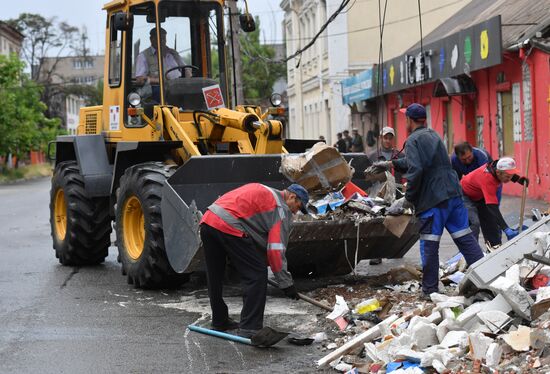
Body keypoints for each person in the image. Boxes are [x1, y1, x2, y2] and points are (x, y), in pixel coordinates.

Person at [371, 103, 484, 297]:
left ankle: (430, 289)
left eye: (405, 117)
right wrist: (390, 164)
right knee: (465, 239)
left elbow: (416, 170)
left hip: (434, 200)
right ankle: (486, 279)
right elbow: (416, 162)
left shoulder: (413, 139)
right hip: (453, 195)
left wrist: (408, 199)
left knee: (430, 244)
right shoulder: (433, 135)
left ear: (409, 120)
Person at [199, 183, 309, 337]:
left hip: (208, 220)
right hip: (228, 225)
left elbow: (255, 235)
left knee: (214, 275)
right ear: (292, 196)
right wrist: (286, 283)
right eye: (298, 206)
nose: (296, 211)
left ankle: (219, 320)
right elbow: (276, 251)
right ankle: (250, 327)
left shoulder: (265, 191)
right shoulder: (281, 209)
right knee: (257, 274)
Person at [461, 157, 529, 247]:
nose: (509, 179)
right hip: (464, 195)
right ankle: (472, 252)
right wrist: (506, 229)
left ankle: (494, 248)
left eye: (511, 176)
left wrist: (518, 179)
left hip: (479, 194)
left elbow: (506, 172)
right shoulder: (487, 179)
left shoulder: (496, 168)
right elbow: (492, 207)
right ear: (498, 173)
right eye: (508, 177)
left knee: (492, 222)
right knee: (474, 223)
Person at [367, 126, 404, 265]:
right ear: (380, 138)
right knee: (378, 223)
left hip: (396, 192)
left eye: (390, 138)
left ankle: (396, 250)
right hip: (378, 193)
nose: (387, 141)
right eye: (385, 138)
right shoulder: (372, 156)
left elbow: (406, 172)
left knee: (396, 221)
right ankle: (376, 254)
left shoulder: (400, 155)